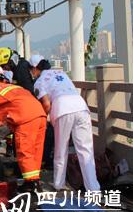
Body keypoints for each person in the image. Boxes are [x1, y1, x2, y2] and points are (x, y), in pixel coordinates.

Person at [29, 55, 100, 191]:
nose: (32, 73)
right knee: (86, 150)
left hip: (62, 110)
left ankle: (59, 183)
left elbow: (46, 103)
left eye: (32, 70)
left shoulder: (39, 81)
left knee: (61, 149)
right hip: (81, 106)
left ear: (35, 68)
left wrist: (44, 117)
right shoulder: (61, 73)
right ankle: (93, 188)